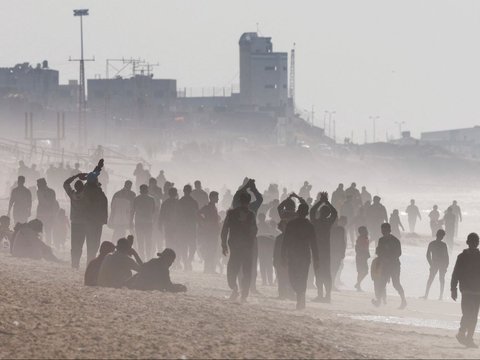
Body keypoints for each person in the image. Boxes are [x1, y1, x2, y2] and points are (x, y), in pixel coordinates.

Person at [221, 191, 257, 302]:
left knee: (232, 268)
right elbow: (254, 230)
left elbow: (225, 229)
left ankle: (235, 289)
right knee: (247, 270)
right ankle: (244, 294)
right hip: (247, 246)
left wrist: (223, 244)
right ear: (249, 202)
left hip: (235, 246)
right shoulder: (251, 215)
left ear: (239, 201)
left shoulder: (231, 213)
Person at [282, 203, 319, 310]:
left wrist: (282, 255)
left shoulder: (292, 224)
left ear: (298, 212)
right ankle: (300, 294)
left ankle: (300, 296)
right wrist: (316, 259)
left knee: (293, 277)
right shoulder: (308, 225)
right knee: (302, 277)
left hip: (296, 255)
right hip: (303, 255)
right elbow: (314, 244)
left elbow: (285, 241)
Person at [451, 232, 480, 348]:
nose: (474, 243)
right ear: (468, 243)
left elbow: (455, 273)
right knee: (468, 314)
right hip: (467, 290)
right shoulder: (461, 257)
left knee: (474, 315)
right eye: (472, 241)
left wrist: (453, 288)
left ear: (477, 243)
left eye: (476, 241)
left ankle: (469, 338)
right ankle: (462, 333)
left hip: (477, 291)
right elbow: (456, 273)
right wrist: (453, 288)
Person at [310, 191, 337, 303]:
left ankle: (320, 295)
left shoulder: (316, 222)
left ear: (320, 212)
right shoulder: (328, 223)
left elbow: (311, 211)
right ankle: (328, 296)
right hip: (326, 250)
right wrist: (327, 202)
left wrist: (320, 202)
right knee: (326, 272)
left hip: (317, 250)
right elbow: (334, 213)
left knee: (318, 272)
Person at [372, 223, 407, 309]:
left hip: (394, 265)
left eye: (384, 230)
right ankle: (378, 301)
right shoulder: (381, 240)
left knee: (396, 284)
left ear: (389, 230)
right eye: (382, 230)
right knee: (382, 283)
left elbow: (399, 253)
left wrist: (389, 259)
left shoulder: (395, 240)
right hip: (384, 265)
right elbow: (378, 251)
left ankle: (404, 301)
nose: (383, 232)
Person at [83, 160, 108, 264]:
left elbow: (93, 175)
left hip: (94, 219)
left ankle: (91, 258)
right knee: (93, 241)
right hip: (94, 219)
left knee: (93, 241)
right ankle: (91, 259)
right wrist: (98, 168)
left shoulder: (90, 188)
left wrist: (98, 167)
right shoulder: (91, 190)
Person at [64, 173, 88, 268]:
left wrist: (76, 176)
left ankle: (74, 263)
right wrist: (86, 178)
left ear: (75, 187)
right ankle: (77, 262)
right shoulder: (85, 194)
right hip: (84, 222)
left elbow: (66, 183)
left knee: (74, 244)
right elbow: (92, 183)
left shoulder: (72, 194)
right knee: (80, 243)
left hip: (74, 222)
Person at [175, 184, 199, 271]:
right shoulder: (193, 202)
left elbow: (177, 215)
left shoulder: (181, 201)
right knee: (191, 246)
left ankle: (186, 262)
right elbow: (196, 214)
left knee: (184, 246)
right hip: (190, 226)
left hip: (184, 226)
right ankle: (187, 262)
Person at [422, 229, 449, 300]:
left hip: (436, 264)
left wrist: (431, 264)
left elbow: (427, 255)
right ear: (442, 236)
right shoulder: (442, 245)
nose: (442, 237)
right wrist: (446, 266)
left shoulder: (432, 243)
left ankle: (427, 295)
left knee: (432, 279)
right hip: (440, 264)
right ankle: (440, 296)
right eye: (442, 236)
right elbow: (446, 257)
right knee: (440, 279)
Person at [198, 191, 221, 273]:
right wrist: (204, 222)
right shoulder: (207, 207)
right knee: (210, 250)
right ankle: (208, 268)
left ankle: (210, 268)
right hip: (210, 232)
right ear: (211, 198)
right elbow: (198, 214)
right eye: (216, 197)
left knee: (213, 250)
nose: (218, 199)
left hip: (213, 232)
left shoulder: (214, 207)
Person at [133, 184, 156, 259]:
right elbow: (153, 211)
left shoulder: (136, 199)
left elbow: (133, 211)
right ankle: (148, 256)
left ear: (140, 190)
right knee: (148, 241)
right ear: (147, 190)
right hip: (149, 222)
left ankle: (141, 257)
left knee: (140, 241)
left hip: (139, 222)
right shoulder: (151, 199)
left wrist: (130, 221)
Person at [36, 178, 59, 245]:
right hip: (49, 214)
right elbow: (53, 203)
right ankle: (47, 246)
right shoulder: (52, 191)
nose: (37, 185)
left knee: (40, 231)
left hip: (42, 214)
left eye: (38, 184)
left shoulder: (39, 192)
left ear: (41, 184)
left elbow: (42, 202)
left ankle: (41, 245)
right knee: (48, 231)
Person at [159, 187, 179, 257]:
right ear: (176, 194)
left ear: (168, 194)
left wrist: (160, 225)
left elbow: (161, 215)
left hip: (168, 226)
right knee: (177, 243)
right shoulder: (178, 202)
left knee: (169, 242)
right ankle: (177, 259)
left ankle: (168, 258)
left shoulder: (165, 203)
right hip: (177, 226)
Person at [331, 216, 347, 290]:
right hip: (332, 252)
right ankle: (331, 284)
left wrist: (343, 252)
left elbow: (343, 242)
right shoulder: (332, 229)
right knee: (333, 268)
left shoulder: (340, 229)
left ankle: (333, 283)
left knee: (336, 268)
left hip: (336, 252)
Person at [355, 226, 370, 291]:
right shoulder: (361, 238)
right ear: (361, 232)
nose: (366, 231)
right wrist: (364, 254)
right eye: (365, 230)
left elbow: (365, 247)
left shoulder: (365, 238)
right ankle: (358, 284)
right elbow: (359, 247)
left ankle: (358, 284)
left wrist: (367, 253)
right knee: (362, 271)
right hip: (361, 256)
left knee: (364, 271)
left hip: (363, 256)